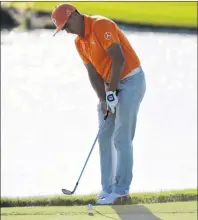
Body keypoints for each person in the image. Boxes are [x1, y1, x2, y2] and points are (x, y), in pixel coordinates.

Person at [51, 3, 146, 205]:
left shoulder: (101, 25)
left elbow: (118, 60)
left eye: (66, 26)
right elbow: (93, 74)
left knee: (121, 136)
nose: (66, 31)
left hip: (130, 81)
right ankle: (107, 189)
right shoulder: (79, 43)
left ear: (74, 15)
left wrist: (111, 92)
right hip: (109, 85)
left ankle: (121, 191)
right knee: (104, 137)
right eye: (63, 29)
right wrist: (103, 99)